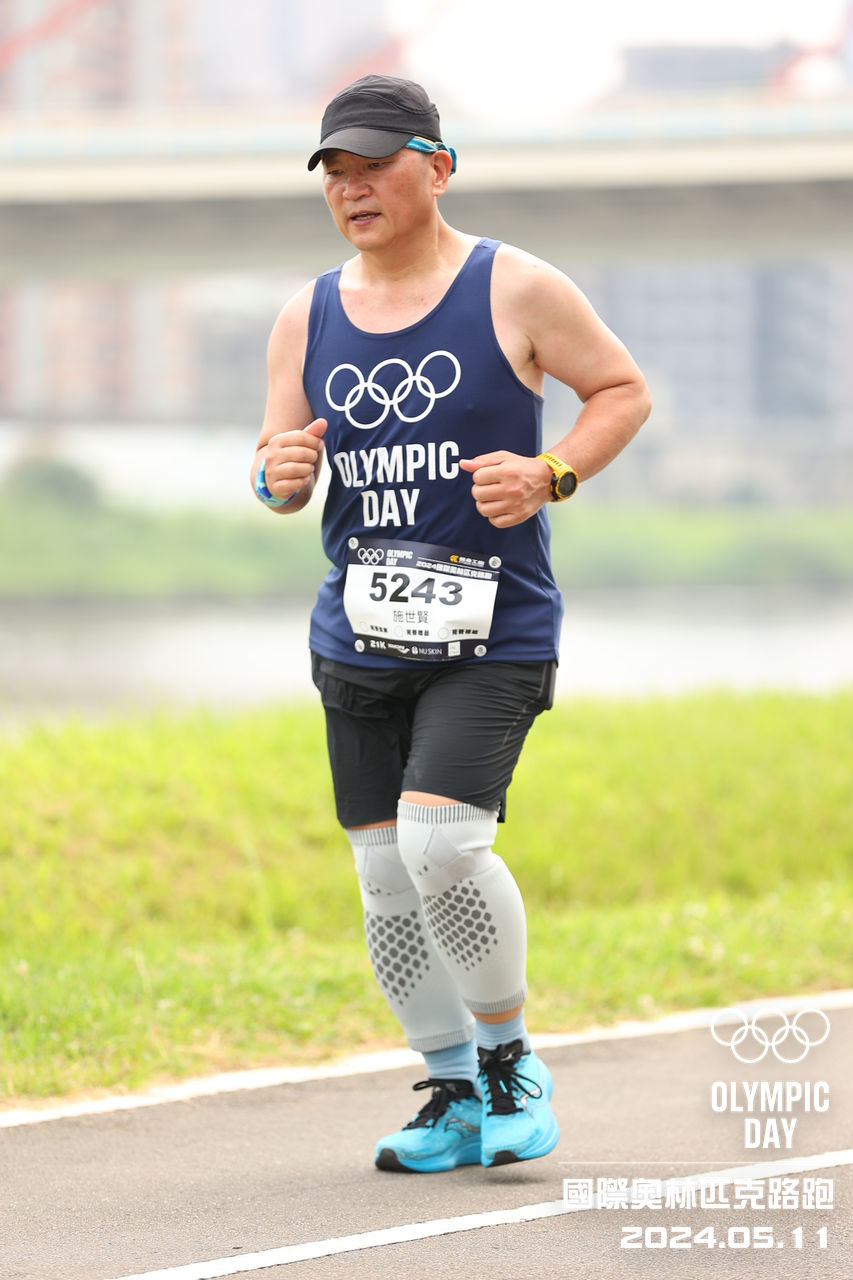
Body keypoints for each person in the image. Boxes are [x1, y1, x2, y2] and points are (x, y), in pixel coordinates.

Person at [251, 74, 650, 1173]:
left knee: (441, 844)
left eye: (375, 164)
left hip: (493, 629)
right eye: (335, 171)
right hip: (356, 636)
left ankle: (511, 1062)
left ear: (437, 166)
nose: (353, 187)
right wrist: (275, 477)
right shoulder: (306, 313)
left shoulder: (513, 286)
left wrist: (552, 472)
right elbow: (278, 469)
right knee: (385, 873)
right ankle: (453, 1088)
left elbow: (620, 389)